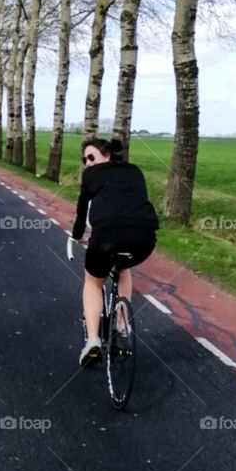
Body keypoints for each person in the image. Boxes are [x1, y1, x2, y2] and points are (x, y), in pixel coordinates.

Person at [71, 137, 159, 366]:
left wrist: (77, 235)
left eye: (91, 157)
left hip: (106, 238)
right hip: (144, 239)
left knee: (93, 283)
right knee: (124, 267)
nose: (88, 163)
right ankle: (122, 325)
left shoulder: (90, 176)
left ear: (107, 155)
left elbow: (81, 214)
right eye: (84, 160)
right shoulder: (135, 171)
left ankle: (92, 341)